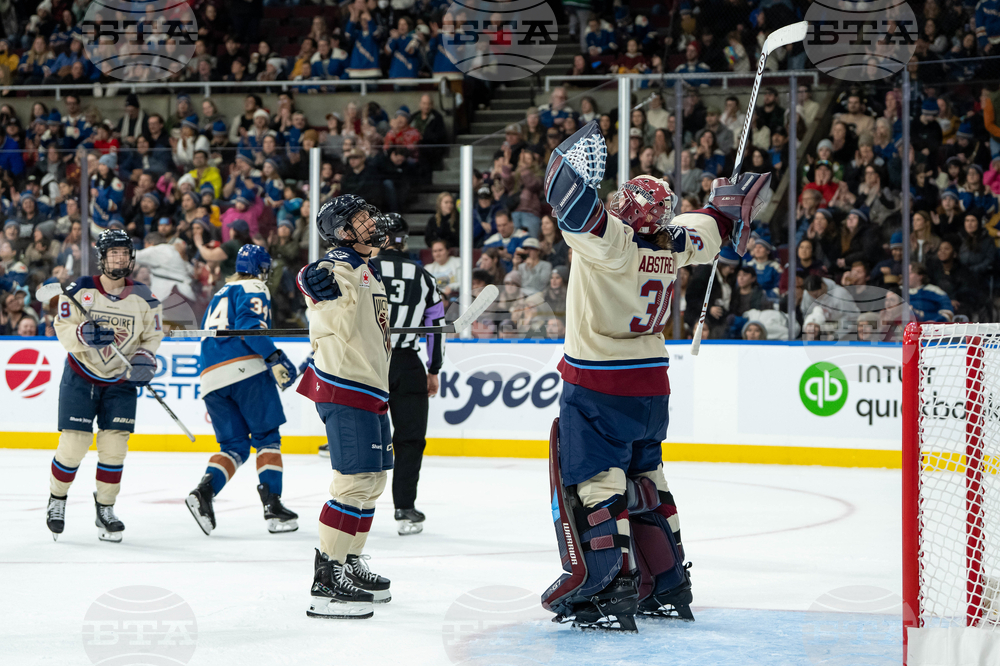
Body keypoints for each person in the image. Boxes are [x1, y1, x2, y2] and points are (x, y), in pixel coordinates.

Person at [540, 122, 768, 630]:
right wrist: (723, 207)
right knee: (649, 483)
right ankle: (667, 585)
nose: (617, 202)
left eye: (625, 199)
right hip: (651, 387)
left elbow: (570, 205)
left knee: (597, 487)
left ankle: (608, 590)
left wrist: (572, 166)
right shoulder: (674, 242)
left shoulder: (613, 243)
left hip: (598, 384)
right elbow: (713, 227)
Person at [296, 195, 393, 619]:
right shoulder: (341, 266)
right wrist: (306, 278)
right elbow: (318, 281)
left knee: (371, 484)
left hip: (371, 389)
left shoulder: (368, 270)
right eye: (361, 217)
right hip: (345, 387)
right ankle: (326, 579)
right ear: (342, 233)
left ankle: (349, 562)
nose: (371, 221)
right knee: (353, 483)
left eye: (369, 213)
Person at [46, 229, 164, 542]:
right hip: (81, 374)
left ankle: (105, 508)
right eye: (113, 253)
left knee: (114, 449)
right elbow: (63, 328)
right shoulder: (80, 289)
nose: (120, 258)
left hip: (120, 381)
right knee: (74, 444)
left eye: (124, 253)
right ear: (102, 257)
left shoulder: (145, 296)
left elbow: (153, 336)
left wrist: (144, 358)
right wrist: (82, 335)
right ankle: (57, 501)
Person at [185, 245, 299, 536]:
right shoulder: (254, 286)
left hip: (211, 377)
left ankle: (204, 493)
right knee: (267, 438)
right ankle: (273, 507)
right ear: (262, 269)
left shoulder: (221, 293)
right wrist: (273, 357)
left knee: (234, 447)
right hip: (245, 370)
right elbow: (250, 327)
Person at [370, 215, 445, 535]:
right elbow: (435, 327)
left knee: (366, 440)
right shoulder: (424, 276)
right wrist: (433, 369)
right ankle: (404, 508)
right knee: (410, 440)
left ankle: (356, 506)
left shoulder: (365, 271)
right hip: (407, 365)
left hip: (367, 364)